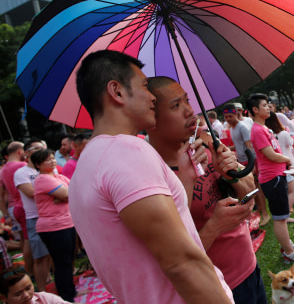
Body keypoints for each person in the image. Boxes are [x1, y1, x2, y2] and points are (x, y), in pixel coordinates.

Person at [70, 50, 234, 303]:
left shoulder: (86, 164)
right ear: (117, 91)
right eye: (145, 86)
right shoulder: (126, 151)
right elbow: (181, 263)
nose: (151, 98)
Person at [146, 77, 267, 304]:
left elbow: (250, 189)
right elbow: (174, 258)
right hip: (214, 290)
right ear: (150, 118)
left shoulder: (207, 143)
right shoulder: (152, 173)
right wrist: (214, 228)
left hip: (249, 266)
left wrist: (229, 173)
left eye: (187, 101)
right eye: (175, 106)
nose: (190, 111)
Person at [248, 93, 294, 263]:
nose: (268, 108)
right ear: (255, 109)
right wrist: (288, 159)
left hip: (278, 175)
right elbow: (271, 155)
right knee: (280, 219)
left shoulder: (264, 128)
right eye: (264, 105)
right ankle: (289, 253)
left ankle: (287, 245)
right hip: (272, 178)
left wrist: (285, 162)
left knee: (282, 217)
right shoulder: (257, 130)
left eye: (268, 105)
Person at [30, 149, 75, 302]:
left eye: (52, 158)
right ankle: (66, 296)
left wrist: (64, 195)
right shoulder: (42, 179)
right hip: (53, 226)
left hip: (67, 222)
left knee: (69, 260)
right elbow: (68, 194)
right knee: (62, 262)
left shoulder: (58, 176)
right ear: (38, 164)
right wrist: (64, 195)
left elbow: (74, 190)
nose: (52, 161)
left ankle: (70, 291)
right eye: (47, 160)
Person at [223, 103, 270, 226]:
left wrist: (252, 164)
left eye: (230, 116)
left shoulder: (242, 127)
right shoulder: (232, 128)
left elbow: (249, 146)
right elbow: (239, 145)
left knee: (256, 188)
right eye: (226, 117)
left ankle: (265, 214)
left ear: (236, 114)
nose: (228, 119)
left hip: (249, 161)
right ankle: (259, 210)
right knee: (251, 189)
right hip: (242, 161)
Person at [13, 139, 50, 293]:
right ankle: (41, 291)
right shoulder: (21, 172)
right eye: (36, 148)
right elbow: (30, 193)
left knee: (54, 253)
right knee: (40, 256)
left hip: (52, 216)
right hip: (35, 217)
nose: (41, 150)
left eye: (43, 148)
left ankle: (55, 283)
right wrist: (53, 192)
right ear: (26, 153)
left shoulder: (46, 169)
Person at [0, 142, 30, 273]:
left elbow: (1, 195)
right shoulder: (22, 166)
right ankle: (32, 270)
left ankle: (29, 267)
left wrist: (6, 214)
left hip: (13, 209)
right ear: (19, 152)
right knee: (30, 239)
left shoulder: (2, 170)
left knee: (23, 239)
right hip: (24, 207)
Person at [265, 112, 294, 217]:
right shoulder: (283, 134)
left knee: (287, 190)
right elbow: (291, 142)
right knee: (293, 191)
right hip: (287, 163)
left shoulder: (270, 135)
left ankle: (286, 211)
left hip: (278, 165)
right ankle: (286, 211)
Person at [0, 270, 72, 304]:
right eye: (18, 294)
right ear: (3, 298)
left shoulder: (44, 298)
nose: (26, 295)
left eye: (28, 288)